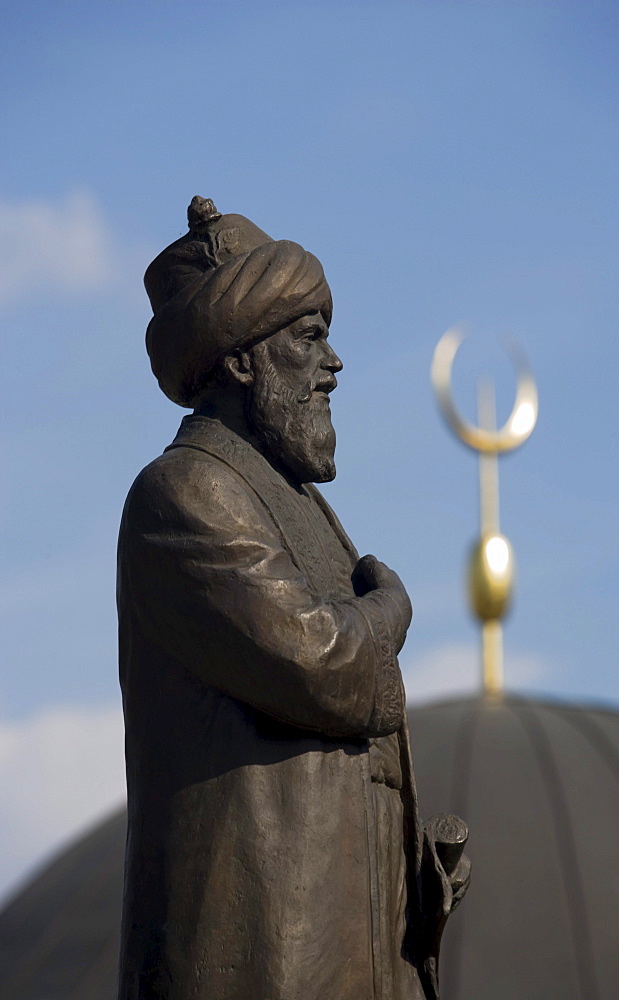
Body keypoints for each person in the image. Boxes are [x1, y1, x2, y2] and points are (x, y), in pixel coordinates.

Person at [117, 197, 469, 1000]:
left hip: (352, 961)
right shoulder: (185, 493)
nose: (334, 364)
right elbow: (322, 666)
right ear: (241, 360)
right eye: (308, 340)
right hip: (264, 966)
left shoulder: (295, 504)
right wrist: (390, 611)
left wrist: (410, 878)